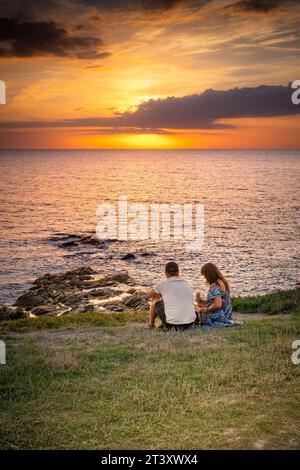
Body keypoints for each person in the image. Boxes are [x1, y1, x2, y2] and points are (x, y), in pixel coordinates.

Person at [146, 261, 196, 331]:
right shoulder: (186, 283)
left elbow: (148, 294)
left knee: (154, 298)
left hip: (172, 325)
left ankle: (151, 324)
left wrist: (159, 294)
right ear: (178, 272)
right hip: (190, 324)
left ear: (166, 273)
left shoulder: (163, 284)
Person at [197, 262, 232, 326]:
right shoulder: (222, 282)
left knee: (196, 308)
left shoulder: (215, 286)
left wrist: (206, 310)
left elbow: (218, 305)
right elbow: (220, 299)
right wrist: (205, 301)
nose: (205, 279)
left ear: (208, 275)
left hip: (219, 316)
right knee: (199, 305)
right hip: (226, 314)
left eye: (205, 276)